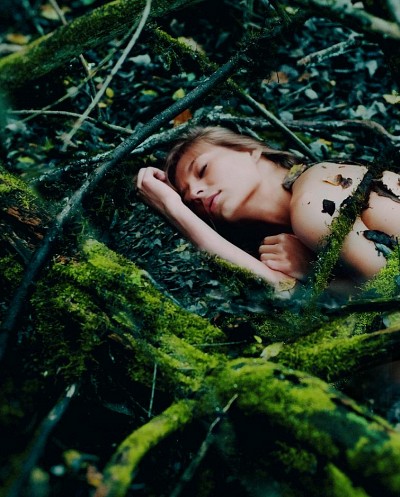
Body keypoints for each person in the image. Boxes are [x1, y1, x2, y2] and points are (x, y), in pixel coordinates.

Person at [136, 126, 400, 293]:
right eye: (188, 199)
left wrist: (312, 272)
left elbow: (389, 293)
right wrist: (173, 209)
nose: (195, 193)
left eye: (202, 169)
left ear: (249, 149)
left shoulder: (311, 202)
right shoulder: (306, 208)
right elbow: (290, 293)